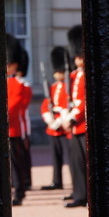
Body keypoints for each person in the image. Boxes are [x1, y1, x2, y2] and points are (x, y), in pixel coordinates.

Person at [6, 35, 32, 206]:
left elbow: (15, 105)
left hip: (15, 128)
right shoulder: (3, 82)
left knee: (17, 163)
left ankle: (19, 192)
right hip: (4, 128)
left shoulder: (22, 84)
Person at [39, 46, 70, 190]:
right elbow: (45, 105)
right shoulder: (53, 87)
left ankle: (76, 183)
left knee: (70, 157)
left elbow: (66, 105)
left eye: (60, 71)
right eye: (56, 72)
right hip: (53, 128)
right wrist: (49, 120)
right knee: (55, 157)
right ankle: (56, 181)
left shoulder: (67, 87)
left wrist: (58, 121)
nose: (58, 74)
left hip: (64, 127)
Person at [64, 25, 88, 208]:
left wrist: (73, 116)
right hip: (74, 126)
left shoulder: (88, 75)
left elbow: (85, 101)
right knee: (76, 163)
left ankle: (86, 194)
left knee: (86, 163)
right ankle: (79, 193)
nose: (78, 59)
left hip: (84, 124)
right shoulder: (72, 76)